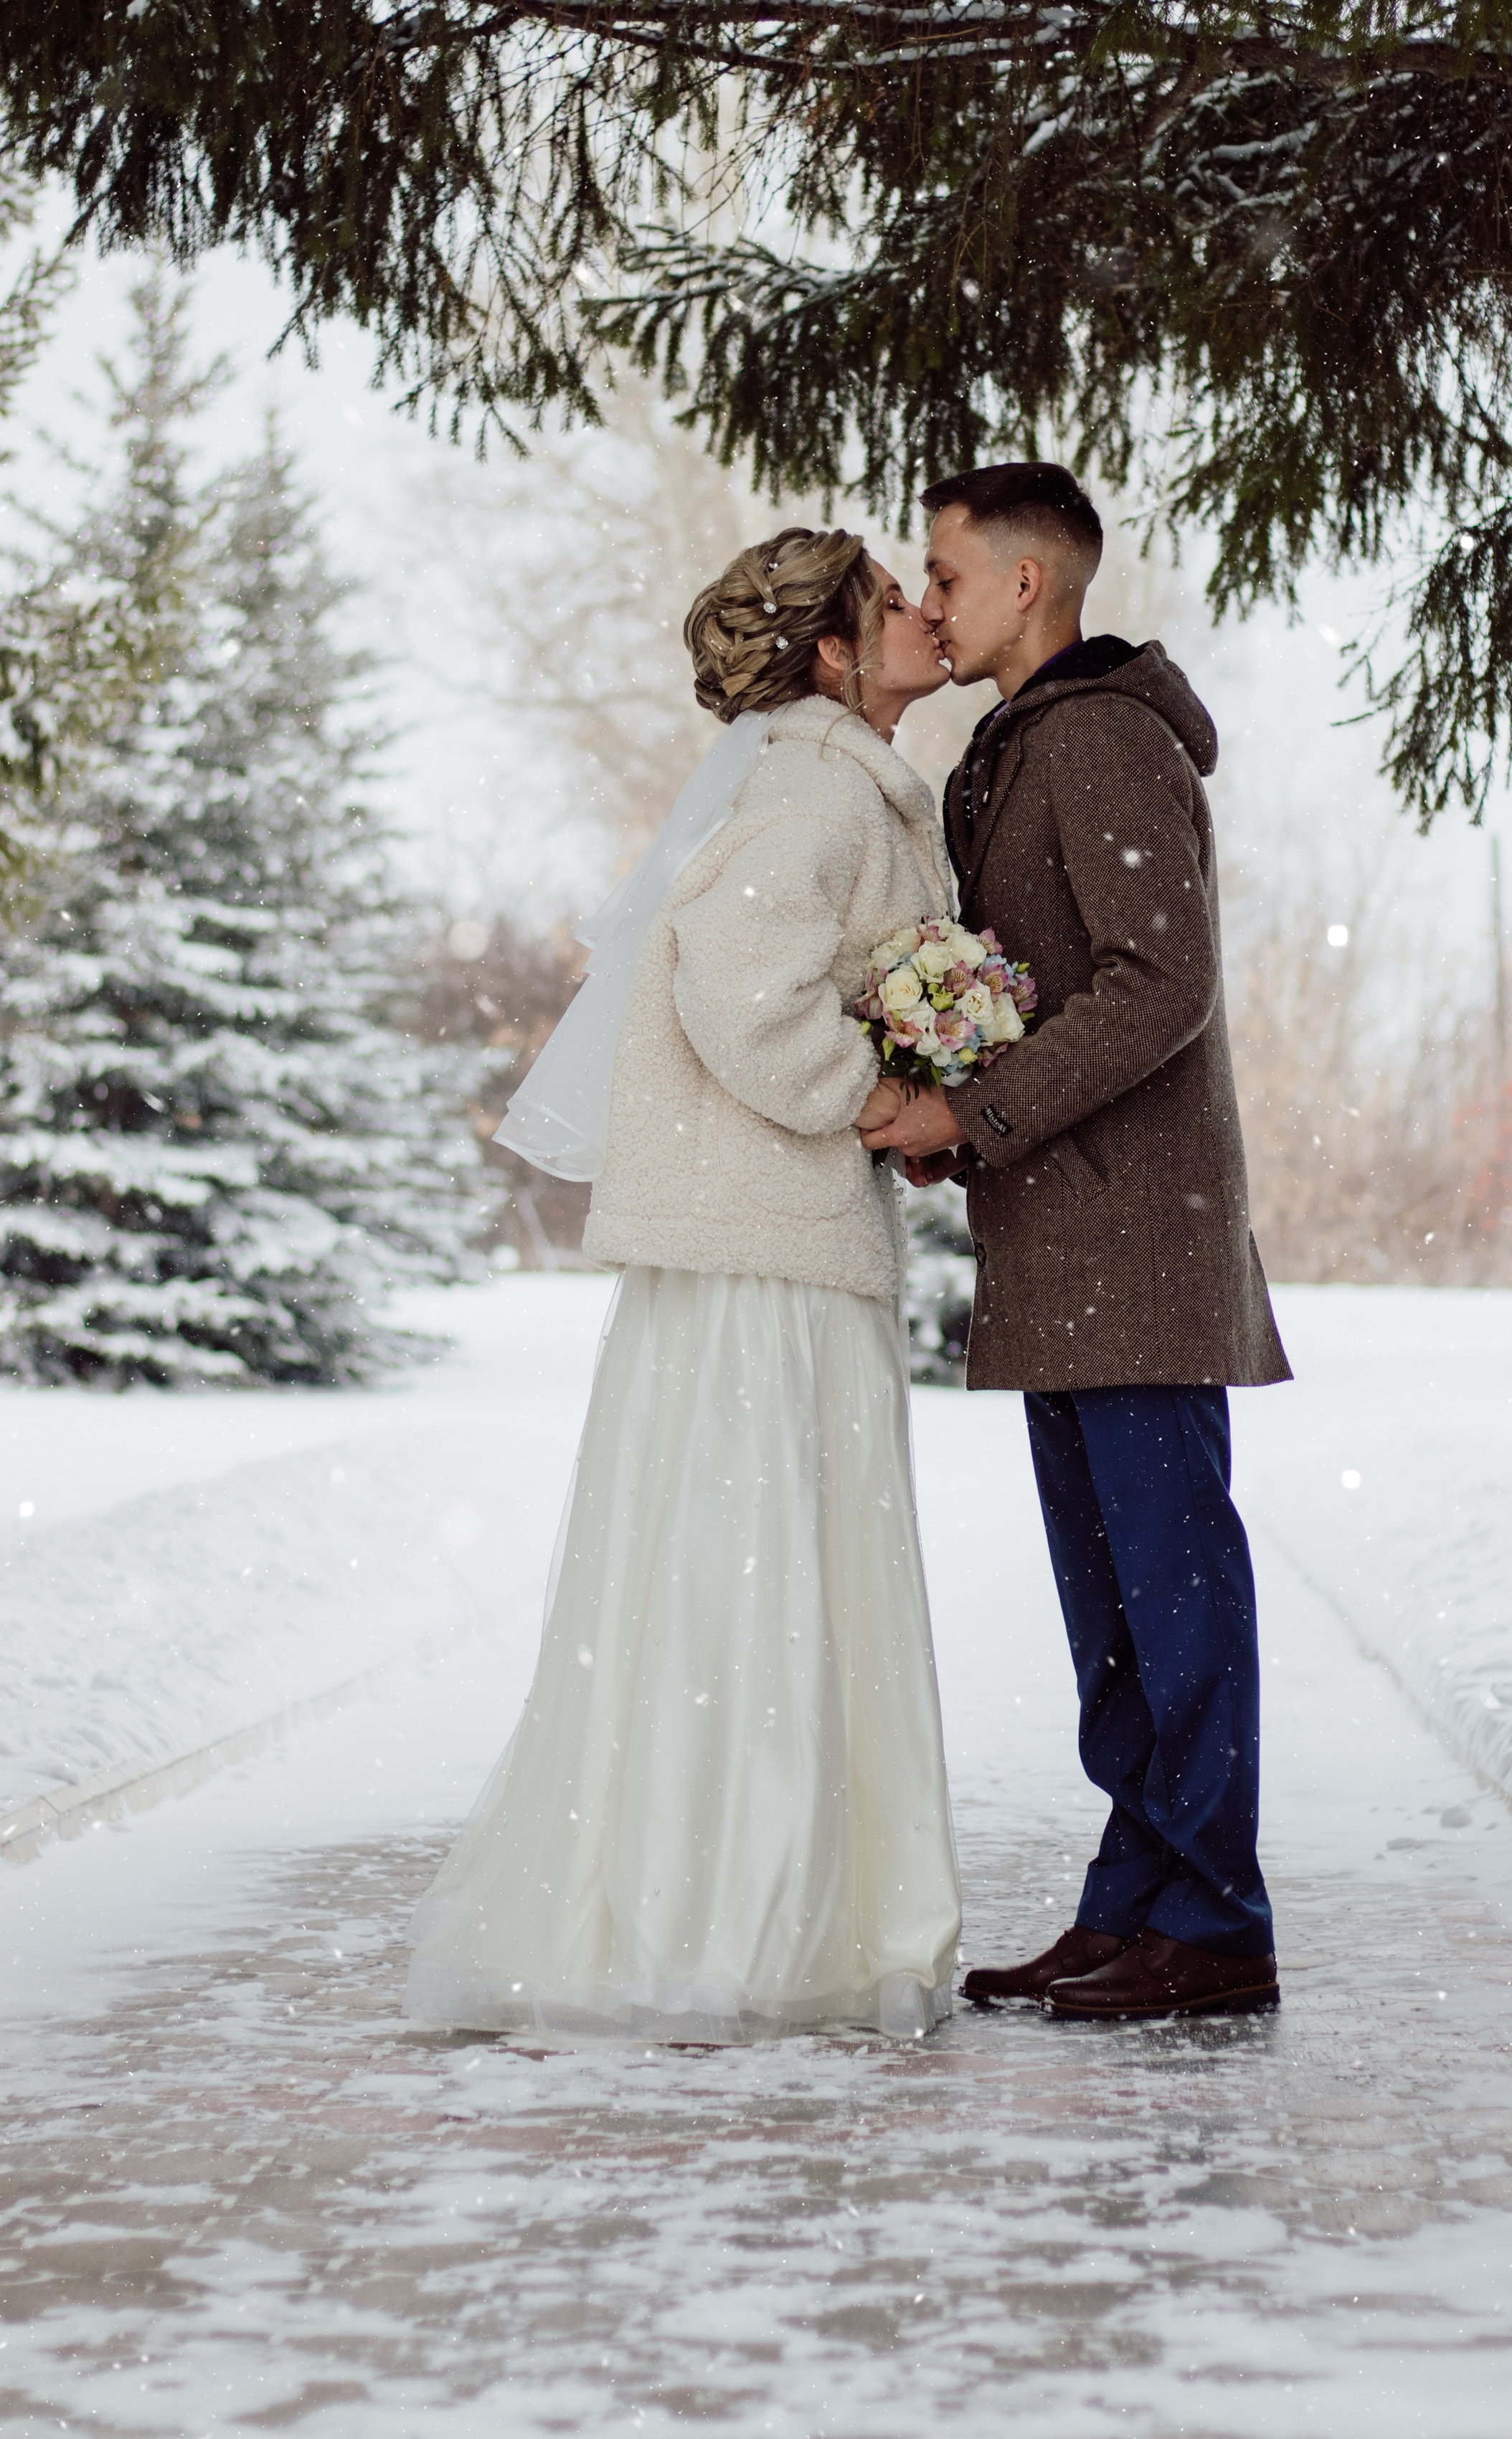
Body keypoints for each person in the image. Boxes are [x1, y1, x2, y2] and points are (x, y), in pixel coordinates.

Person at [403, 528, 963, 2042]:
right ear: (836, 655)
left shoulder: (831, 781)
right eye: (889, 601)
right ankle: (729, 1928)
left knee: (763, 1571)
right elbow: (738, 982)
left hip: (774, 1238)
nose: (922, 611)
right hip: (756, 1253)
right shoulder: (810, 787)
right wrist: (872, 1098)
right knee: (756, 1573)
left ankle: (760, 1911)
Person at [871, 463, 1293, 2022]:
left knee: (1173, 1606)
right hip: (1067, 1251)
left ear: (1025, 583)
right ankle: (1134, 1901)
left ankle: (1217, 1927)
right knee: (1112, 1618)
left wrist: (968, 1115)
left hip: (1134, 1245)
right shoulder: (1023, 743)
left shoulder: (1102, 739)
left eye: (943, 574)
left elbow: (1154, 982)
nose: (927, 601)